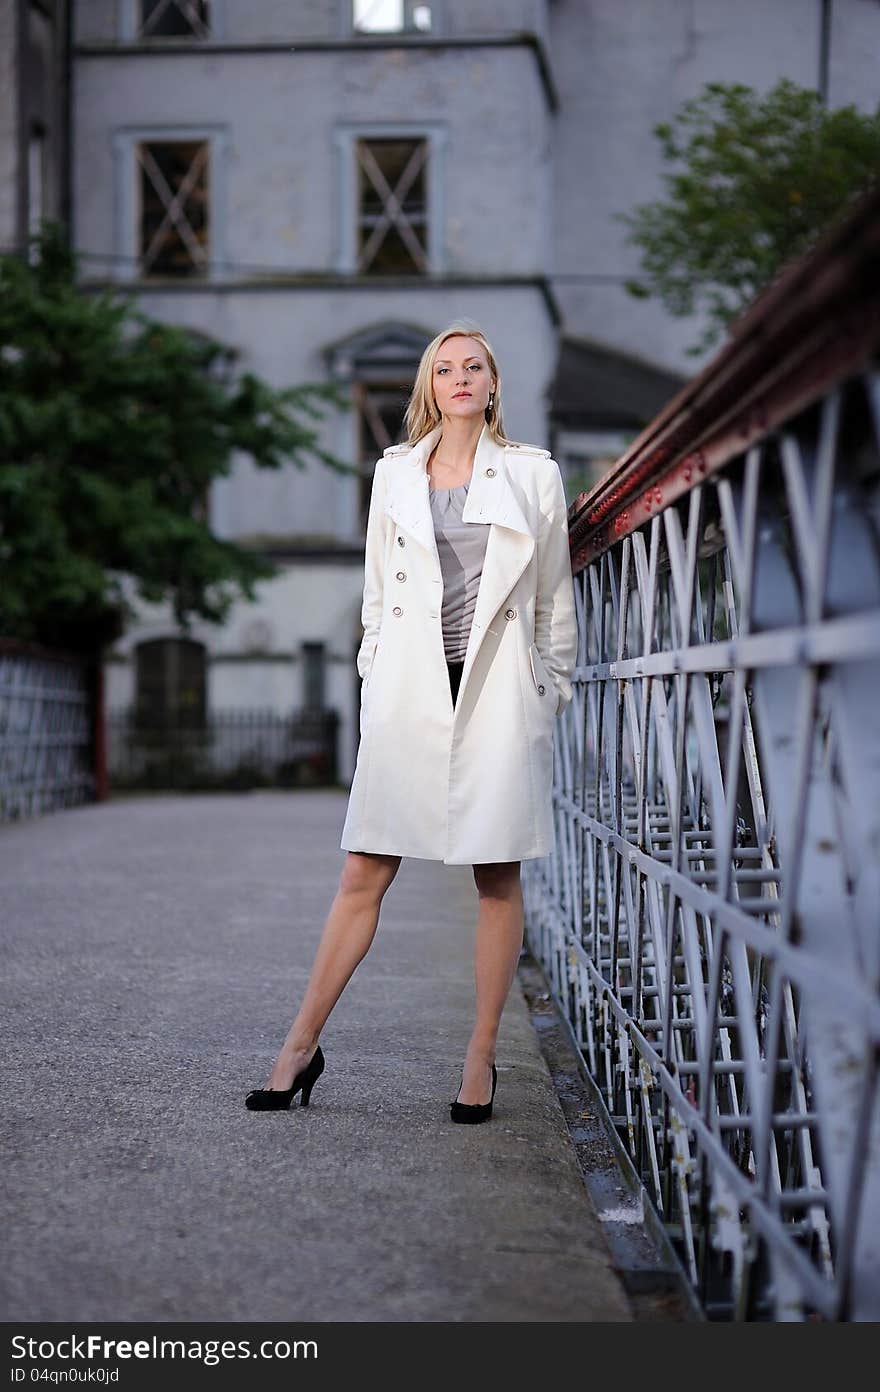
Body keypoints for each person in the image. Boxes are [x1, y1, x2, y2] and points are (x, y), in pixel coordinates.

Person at [245, 321, 578, 1122]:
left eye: (474, 367)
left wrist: (550, 688)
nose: (459, 377)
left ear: (494, 385)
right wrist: (372, 675)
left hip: (496, 690)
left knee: (495, 875)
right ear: (428, 387)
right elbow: (373, 593)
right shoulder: (395, 474)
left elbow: (552, 599)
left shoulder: (534, 476)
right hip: (408, 692)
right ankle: (298, 1046)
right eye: (445, 368)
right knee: (364, 871)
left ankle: (480, 1058)